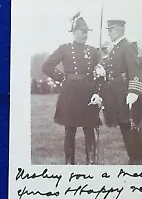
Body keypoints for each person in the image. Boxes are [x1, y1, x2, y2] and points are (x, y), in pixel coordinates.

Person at [41, 13, 103, 165]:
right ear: (74, 33)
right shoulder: (64, 49)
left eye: (87, 32)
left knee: (90, 129)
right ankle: (69, 165)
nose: (85, 35)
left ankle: (91, 164)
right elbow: (46, 66)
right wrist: (63, 78)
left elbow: (99, 75)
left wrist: (97, 92)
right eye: (82, 32)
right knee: (70, 130)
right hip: (70, 93)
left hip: (88, 93)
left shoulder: (94, 51)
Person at [100, 20, 142, 165]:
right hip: (116, 93)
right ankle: (133, 158)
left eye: (111, 30)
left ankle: (137, 160)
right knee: (124, 126)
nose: (109, 33)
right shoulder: (116, 48)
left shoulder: (127, 46)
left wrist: (133, 90)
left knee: (131, 128)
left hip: (126, 92)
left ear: (119, 30)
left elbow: (134, 69)